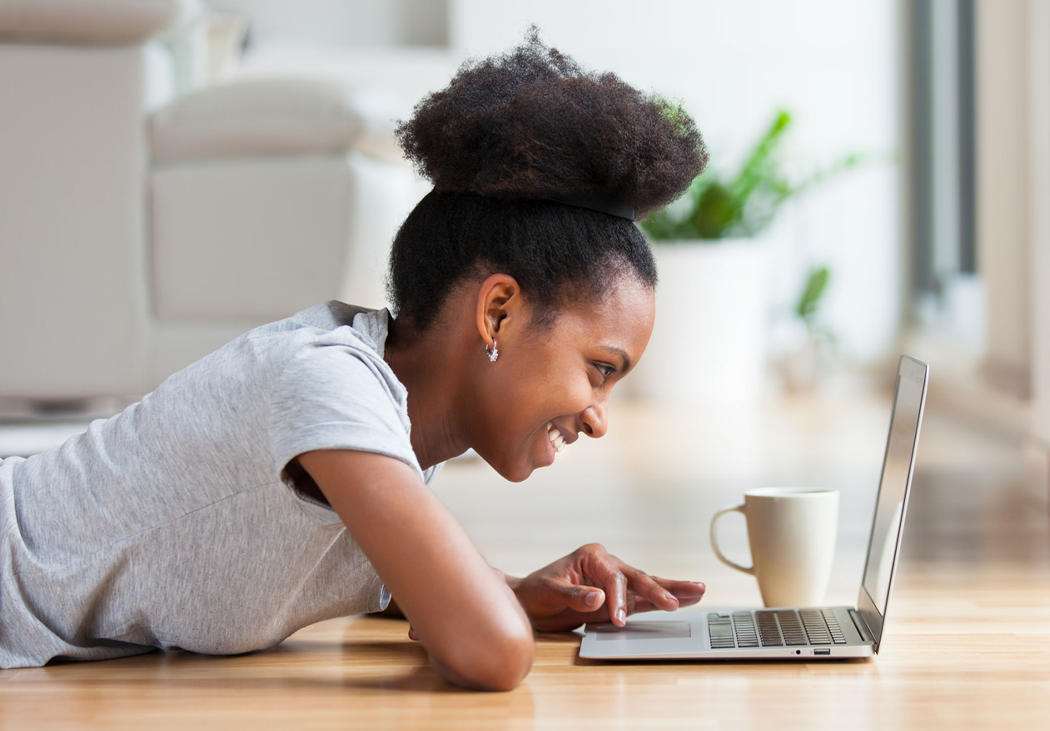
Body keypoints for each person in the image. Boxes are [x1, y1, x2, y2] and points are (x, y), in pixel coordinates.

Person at [0, 31, 709, 690]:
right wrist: (489, 609)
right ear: (498, 311)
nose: (599, 417)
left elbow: (393, 579)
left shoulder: (389, 416)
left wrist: (518, 588)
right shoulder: (330, 384)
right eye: (600, 369)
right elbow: (490, 650)